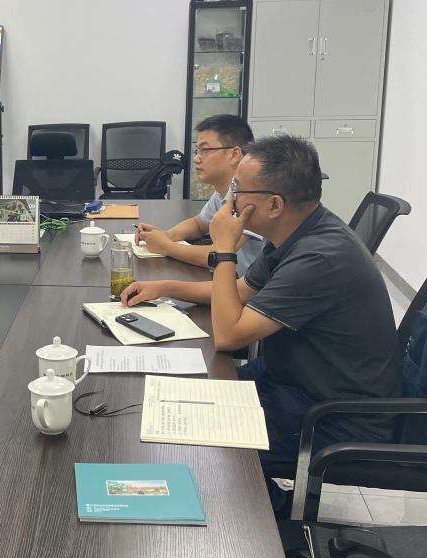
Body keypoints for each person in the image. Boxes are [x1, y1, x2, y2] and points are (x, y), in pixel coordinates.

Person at [120, 136, 401, 492]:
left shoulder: (319, 257)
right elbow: (237, 292)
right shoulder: (296, 232)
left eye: (238, 189)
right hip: (294, 381)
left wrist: (224, 248)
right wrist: (165, 287)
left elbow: (228, 336)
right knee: (177, 395)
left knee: (190, 442)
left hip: (335, 417)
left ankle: (263, 517)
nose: (230, 200)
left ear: (274, 205)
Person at [134, 115, 261, 276]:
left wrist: (166, 246)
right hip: (228, 280)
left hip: (248, 288)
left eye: (204, 150)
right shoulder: (224, 192)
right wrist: (166, 235)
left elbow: (220, 255)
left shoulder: (252, 197)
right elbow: (199, 224)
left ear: (234, 154)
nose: (196, 158)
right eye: (197, 151)